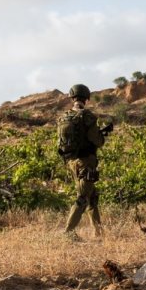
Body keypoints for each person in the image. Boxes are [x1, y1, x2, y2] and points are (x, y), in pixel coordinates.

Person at [56, 84, 112, 239]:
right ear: (86, 98)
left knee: (92, 196)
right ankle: (67, 234)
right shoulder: (87, 116)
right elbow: (97, 141)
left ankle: (98, 232)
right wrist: (102, 136)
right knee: (82, 197)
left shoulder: (64, 117)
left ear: (72, 97)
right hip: (86, 162)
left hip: (71, 162)